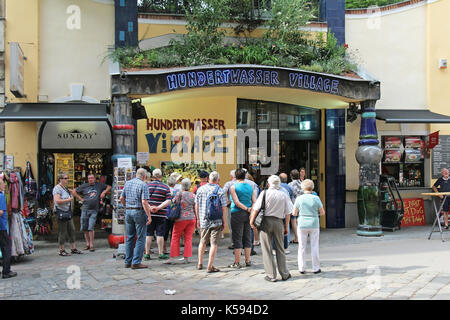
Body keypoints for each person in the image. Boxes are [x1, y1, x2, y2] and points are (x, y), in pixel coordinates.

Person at [250, 175, 292, 282]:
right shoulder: (283, 194)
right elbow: (288, 213)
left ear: (268, 184)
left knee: (267, 248)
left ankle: (271, 275)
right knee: (280, 248)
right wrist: (286, 226)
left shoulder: (265, 193)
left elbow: (256, 208)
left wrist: (252, 220)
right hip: (279, 222)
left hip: (266, 221)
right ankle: (284, 273)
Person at [120, 168, 152, 269]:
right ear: (144, 176)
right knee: (141, 238)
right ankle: (136, 262)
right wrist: (149, 216)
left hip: (128, 211)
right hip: (139, 212)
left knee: (130, 237)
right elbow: (144, 202)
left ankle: (127, 261)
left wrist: (126, 207)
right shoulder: (143, 185)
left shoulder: (127, 183)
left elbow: (121, 198)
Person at [195, 171, 227, 273]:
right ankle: (210, 266)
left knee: (202, 241)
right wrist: (224, 221)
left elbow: (196, 204)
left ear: (209, 178)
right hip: (217, 221)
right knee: (214, 244)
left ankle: (200, 263)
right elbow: (224, 207)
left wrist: (198, 218)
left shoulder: (200, 189)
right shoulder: (220, 191)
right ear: (218, 180)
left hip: (204, 220)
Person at [293, 179, 325, 274]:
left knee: (302, 247)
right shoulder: (316, 198)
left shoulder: (299, 198)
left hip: (302, 223)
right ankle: (316, 267)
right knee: (314, 246)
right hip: (314, 223)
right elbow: (322, 212)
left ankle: (302, 268)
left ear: (303, 188)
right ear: (312, 188)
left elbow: (294, 213)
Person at [72, 173, 111, 252]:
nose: (91, 179)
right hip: (85, 209)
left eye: (92, 178)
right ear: (87, 179)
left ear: (95, 178)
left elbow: (109, 187)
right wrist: (80, 198)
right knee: (85, 227)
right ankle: (87, 244)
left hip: (94, 209)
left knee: (91, 227)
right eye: (89, 178)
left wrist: (104, 192)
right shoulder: (84, 186)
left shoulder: (99, 185)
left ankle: (92, 245)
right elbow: (74, 191)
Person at [228, 168, 256, 268]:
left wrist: (246, 208)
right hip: (248, 214)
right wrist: (250, 209)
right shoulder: (250, 187)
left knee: (237, 237)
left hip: (237, 213)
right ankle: (248, 260)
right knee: (247, 237)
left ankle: (237, 262)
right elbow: (254, 201)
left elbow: (236, 202)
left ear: (235, 176)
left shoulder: (233, 187)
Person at [164, 178, 196, 265]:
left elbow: (173, 202)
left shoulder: (179, 194)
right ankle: (186, 258)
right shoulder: (193, 195)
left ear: (182, 185)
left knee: (175, 237)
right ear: (189, 186)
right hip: (191, 218)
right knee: (188, 238)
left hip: (180, 219)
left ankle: (172, 257)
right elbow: (195, 207)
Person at [53, 172, 83, 256]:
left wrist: (80, 198)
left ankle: (73, 248)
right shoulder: (57, 189)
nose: (67, 180)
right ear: (60, 179)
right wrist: (69, 200)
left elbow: (73, 192)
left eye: (67, 178)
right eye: (65, 178)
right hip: (61, 212)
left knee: (72, 230)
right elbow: (57, 201)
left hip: (67, 212)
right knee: (63, 231)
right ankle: (61, 249)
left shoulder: (65, 188)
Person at [145, 169, 172, 260]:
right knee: (160, 234)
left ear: (152, 176)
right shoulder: (165, 187)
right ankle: (160, 253)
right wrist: (158, 208)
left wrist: (150, 207)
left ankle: (147, 253)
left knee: (149, 233)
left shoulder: (147, 186)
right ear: (161, 176)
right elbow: (168, 200)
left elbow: (144, 200)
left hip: (149, 214)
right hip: (161, 214)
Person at [0, 179, 17, 279]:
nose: (4, 186)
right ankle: (6, 271)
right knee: (6, 248)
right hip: (1, 227)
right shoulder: (1, 196)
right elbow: (1, 212)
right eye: (2, 184)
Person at [279, 173, 294, 253]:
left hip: (277, 212)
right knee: (286, 227)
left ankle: (275, 247)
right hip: (286, 210)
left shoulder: (276, 188)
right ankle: (285, 246)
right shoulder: (289, 187)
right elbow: (292, 197)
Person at [288, 169, 303, 244]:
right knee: (300, 221)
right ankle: (302, 237)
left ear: (291, 176)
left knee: (293, 221)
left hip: (293, 205)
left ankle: (297, 238)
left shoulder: (290, 185)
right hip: (302, 204)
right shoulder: (302, 183)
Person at [223, 170, 236, 250]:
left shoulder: (229, 183)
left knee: (232, 226)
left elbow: (222, 192)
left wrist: (226, 201)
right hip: (243, 207)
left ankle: (234, 243)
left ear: (231, 176)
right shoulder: (244, 183)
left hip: (231, 206)